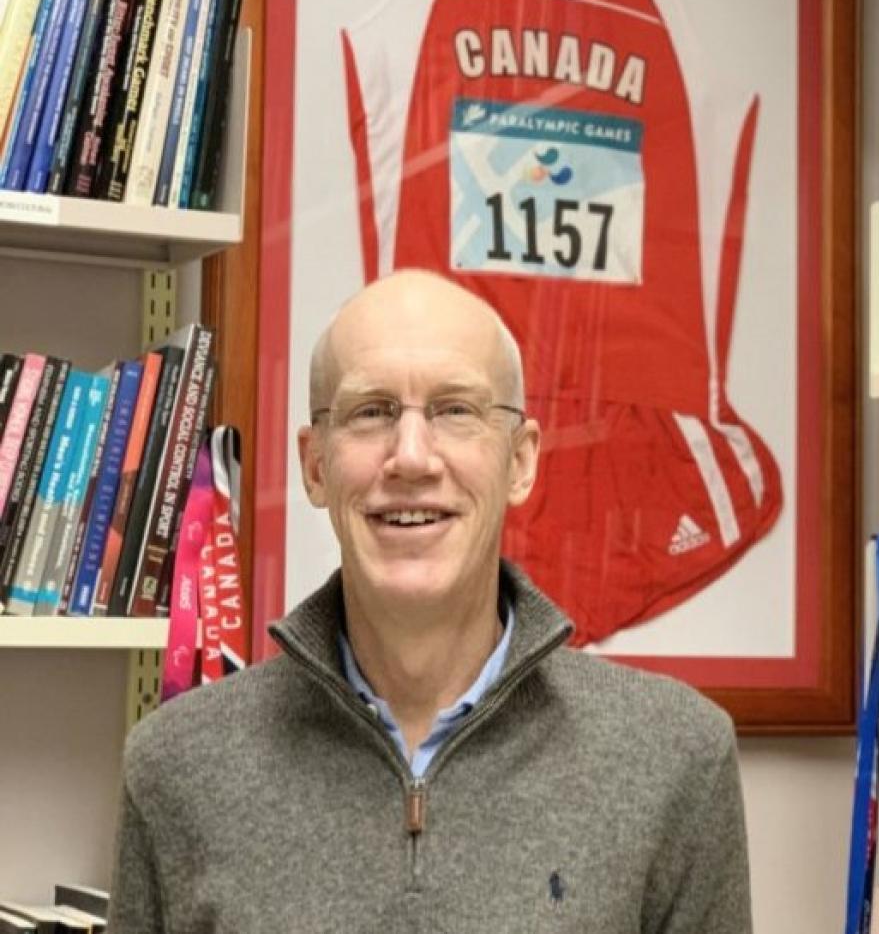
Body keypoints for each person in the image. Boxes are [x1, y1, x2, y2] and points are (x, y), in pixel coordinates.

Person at [109, 269, 753, 932]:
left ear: (522, 461)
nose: (412, 457)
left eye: (456, 411)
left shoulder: (676, 758)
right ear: (315, 466)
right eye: (370, 412)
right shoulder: (177, 765)